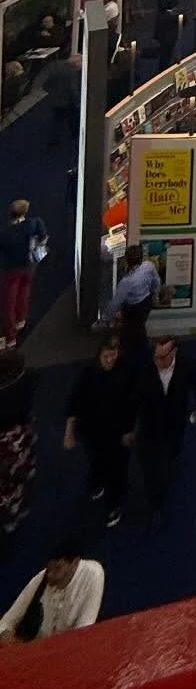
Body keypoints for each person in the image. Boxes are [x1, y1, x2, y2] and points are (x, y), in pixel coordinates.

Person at [133, 336, 196, 524]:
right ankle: (155, 506)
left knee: (173, 452)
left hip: (175, 422)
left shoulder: (186, 365)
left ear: (174, 352)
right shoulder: (145, 368)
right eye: (155, 356)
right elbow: (131, 397)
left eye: (162, 357)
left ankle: (172, 459)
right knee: (153, 470)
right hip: (149, 426)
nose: (158, 361)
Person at [64, 338, 136, 527]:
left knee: (117, 471)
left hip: (117, 434)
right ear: (99, 354)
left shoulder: (127, 374)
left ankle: (115, 504)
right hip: (92, 432)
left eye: (114, 355)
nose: (110, 359)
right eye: (106, 355)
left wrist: (131, 430)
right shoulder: (88, 373)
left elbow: (134, 405)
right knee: (96, 462)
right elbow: (74, 401)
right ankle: (97, 482)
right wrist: (69, 431)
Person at [0, 542, 104, 642]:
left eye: (58, 568)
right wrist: (7, 638)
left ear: (75, 563)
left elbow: (83, 633)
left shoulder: (93, 574)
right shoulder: (42, 578)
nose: (50, 575)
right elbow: (6, 622)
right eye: (49, 568)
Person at [0, 199, 46, 349]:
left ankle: (11, 337)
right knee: (24, 291)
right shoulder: (34, 223)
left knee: (9, 303)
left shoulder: (5, 233)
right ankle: (21, 320)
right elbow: (43, 235)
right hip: (29, 265)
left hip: (11, 270)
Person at [0, 349, 37, 533]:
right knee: (19, 475)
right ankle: (16, 509)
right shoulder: (29, 379)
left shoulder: (4, 393)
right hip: (22, 435)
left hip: (7, 444)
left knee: (7, 485)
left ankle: (11, 515)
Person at [106, 243, 162, 355]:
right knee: (139, 327)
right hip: (146, 302)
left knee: (132, 331)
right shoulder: (149, 266)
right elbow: (156, 282)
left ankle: (139, 353)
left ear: (127, 260)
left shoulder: (126, 282)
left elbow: (116, 303)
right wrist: (155, 295)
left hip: (133, 309)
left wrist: (105, 318)